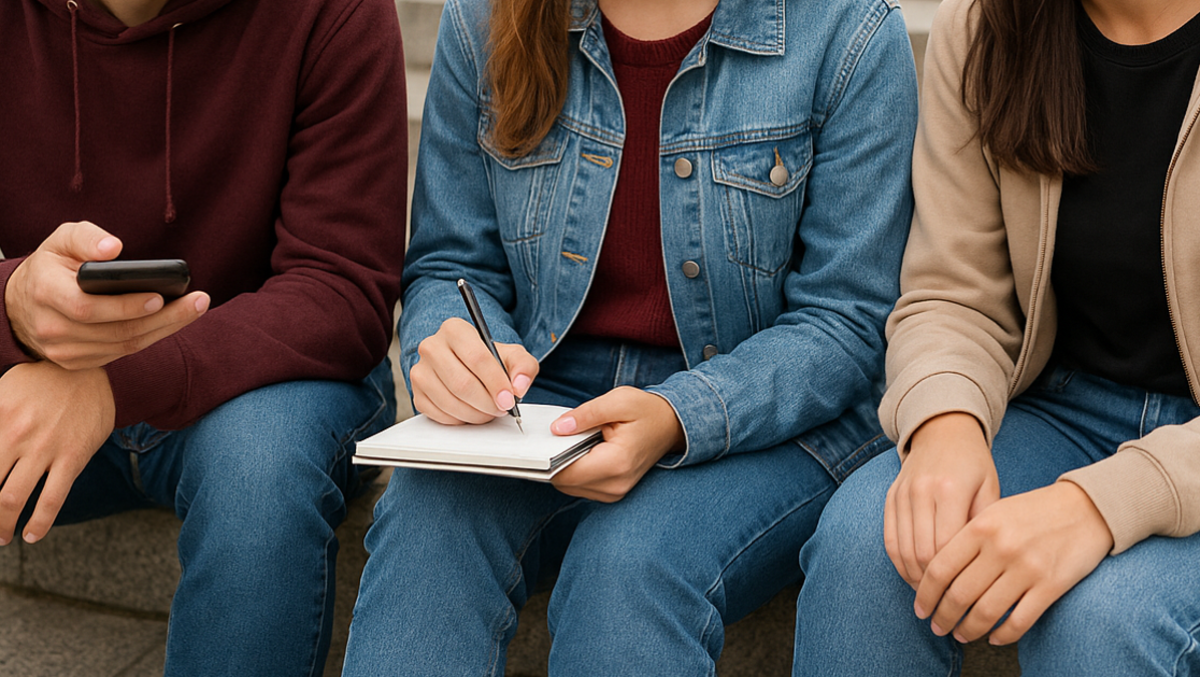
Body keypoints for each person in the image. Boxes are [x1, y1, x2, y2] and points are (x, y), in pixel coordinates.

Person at [341, 0, 916, 673]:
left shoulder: (847, 30)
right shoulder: (484, 17)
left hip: (772, 415)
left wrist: (679, 414)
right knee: (426, 521)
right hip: (546, 398)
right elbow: (451, 263)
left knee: (630, 566)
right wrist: (460, 351)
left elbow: (846, 319)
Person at [793, 0, 1200, 673]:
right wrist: (946, 423)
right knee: (868, 544)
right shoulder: (989, 26)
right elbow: (954, 289)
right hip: (1064, 404)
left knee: (1101, 622)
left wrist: (1095, 506)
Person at [0, 0, 406, 674]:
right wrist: (12, 302)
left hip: (268, 381)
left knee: (260, 478)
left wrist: (111, 381)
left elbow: (341, 289)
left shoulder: (334, 13)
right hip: (43, 375)